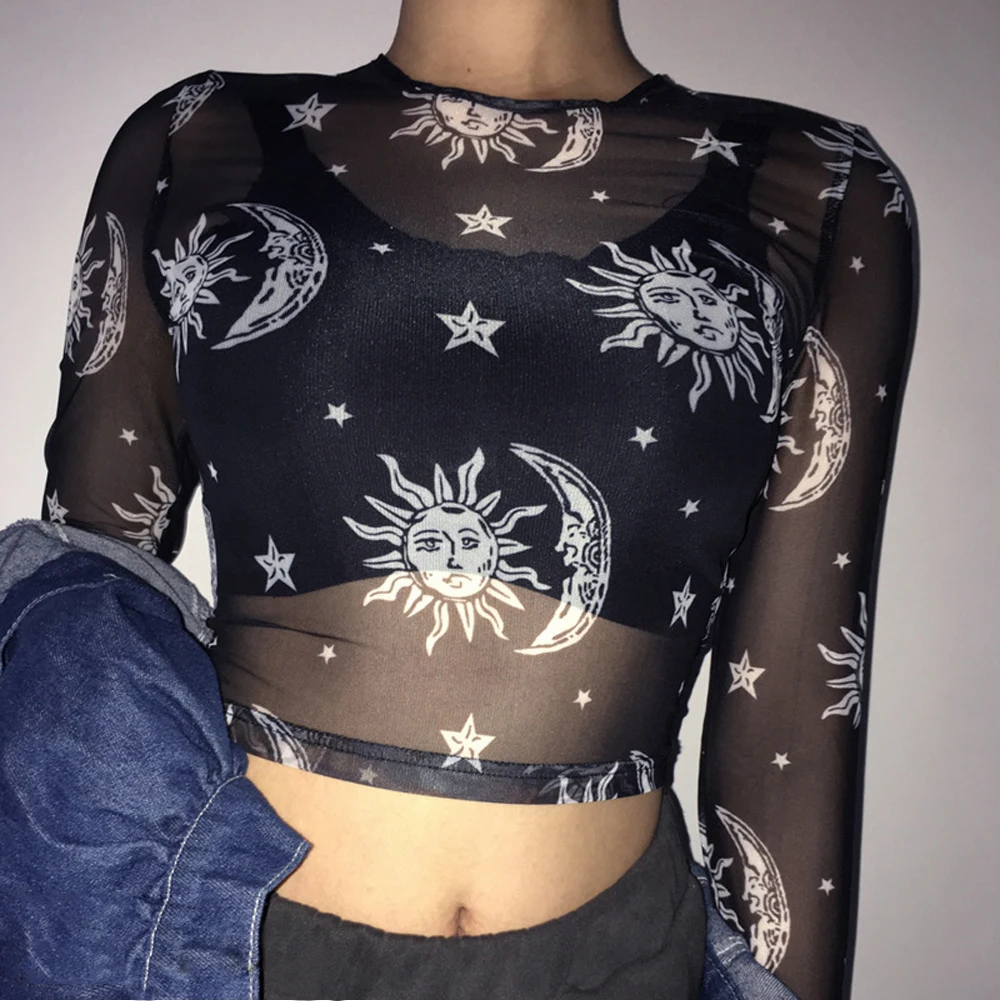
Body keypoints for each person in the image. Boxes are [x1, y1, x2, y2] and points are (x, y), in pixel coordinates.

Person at [39, 0, 919, 997]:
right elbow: (81, 629)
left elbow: (796, 699)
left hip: (617, 966)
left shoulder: (815, 186)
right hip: (232, 962)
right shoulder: (197, 141)